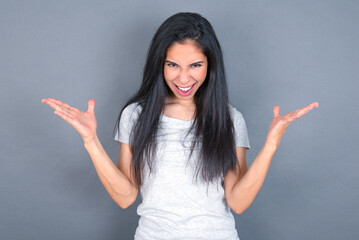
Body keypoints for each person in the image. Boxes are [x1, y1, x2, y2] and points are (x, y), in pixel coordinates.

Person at [42, 12, 319, 240]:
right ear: (159, 64)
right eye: (172, 65)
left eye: (195, 65)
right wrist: (91, 141)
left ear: (210, 66)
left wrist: (271, 145)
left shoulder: (229, 118)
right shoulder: (136, 116)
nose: (183, 78)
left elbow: (238, 201)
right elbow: (125, 196)